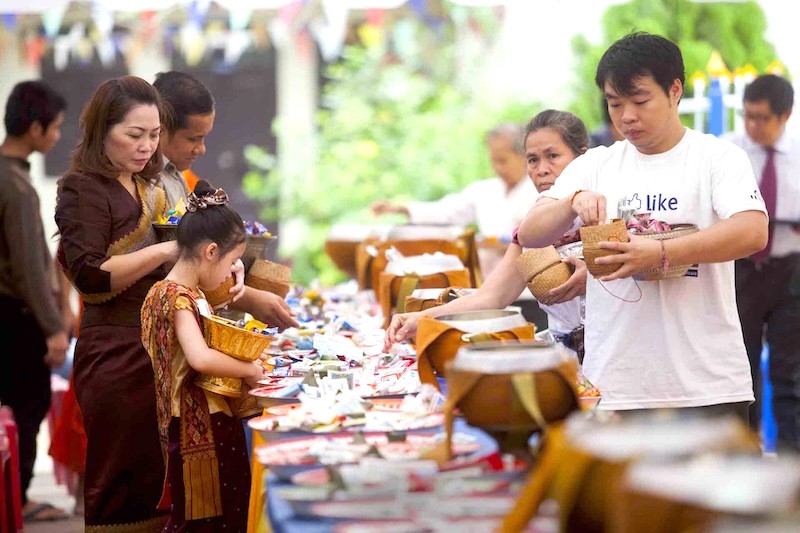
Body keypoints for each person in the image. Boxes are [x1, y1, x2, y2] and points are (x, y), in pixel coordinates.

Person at [517, 32, 768, 418]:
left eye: (639, 100)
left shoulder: (716, 158)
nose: (626, 117)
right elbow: (531, 233)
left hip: (706, 385)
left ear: (674, 90)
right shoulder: (595, 164)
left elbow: (752, 231)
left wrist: (660, 252)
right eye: (614, 104)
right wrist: (571, 201)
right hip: (616, 385)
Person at [55, 76, 245, 531]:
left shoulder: (151, 185)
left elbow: (203, 238)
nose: (147, 147)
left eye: (155, 135)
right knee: (124, 479)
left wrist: (229, 263)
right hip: (116, 352)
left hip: (159, 349)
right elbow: (89, 274)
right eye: (134, 135)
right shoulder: (82, 189)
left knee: (166, 474)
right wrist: (164, 251)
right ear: (103, 131)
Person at [385, 110, 589, 352]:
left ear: (584, 158)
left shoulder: (606, 208)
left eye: (553, 156)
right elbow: (491, 297)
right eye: (532, 160)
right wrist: (420, 318)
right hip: (568, 358)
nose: (541, 169)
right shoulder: (530, 231)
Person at [141, 181, 265, 531]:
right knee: (208, 514)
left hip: (184, 419)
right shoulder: (179, 298)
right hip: (201, 425)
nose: (230, 272)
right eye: (231, 262)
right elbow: (200, 358)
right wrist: (249, 368)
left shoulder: (163, 291)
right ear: (211, 251)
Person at [153, 70, 297, 330]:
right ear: (161, 129)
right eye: (193, 139)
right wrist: (247, 298)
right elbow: (181, 265)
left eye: (204, 138)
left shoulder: (178, 176)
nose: (202, 149)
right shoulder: (149, 181)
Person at [0, 81, 72, 522]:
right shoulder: (17, 188)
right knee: (27, 406)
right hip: (17, 315)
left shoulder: (11, 176)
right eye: (56, 127)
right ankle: (18, 498)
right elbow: (29, 268)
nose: (58, 136)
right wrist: (54, 328)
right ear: (34, 127)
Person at [725, 74, 800, 450]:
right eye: (747, 116)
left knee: (790, 374)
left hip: (792, 273)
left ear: (785, 115)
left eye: (762, 118)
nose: (752, 126)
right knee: (740, 370)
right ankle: (744, 457)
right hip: (740, 273)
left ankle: (791, 467)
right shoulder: (728, 153)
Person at [370, 123, 534, 276]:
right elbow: (447, 211)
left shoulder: (538, 191)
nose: (497, 168)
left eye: (502, 161)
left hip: (527, 287)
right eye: (493, 160)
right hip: (489, 281)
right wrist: (401, 209)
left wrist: (503, 245)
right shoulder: (485, 190)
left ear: (523, 156)